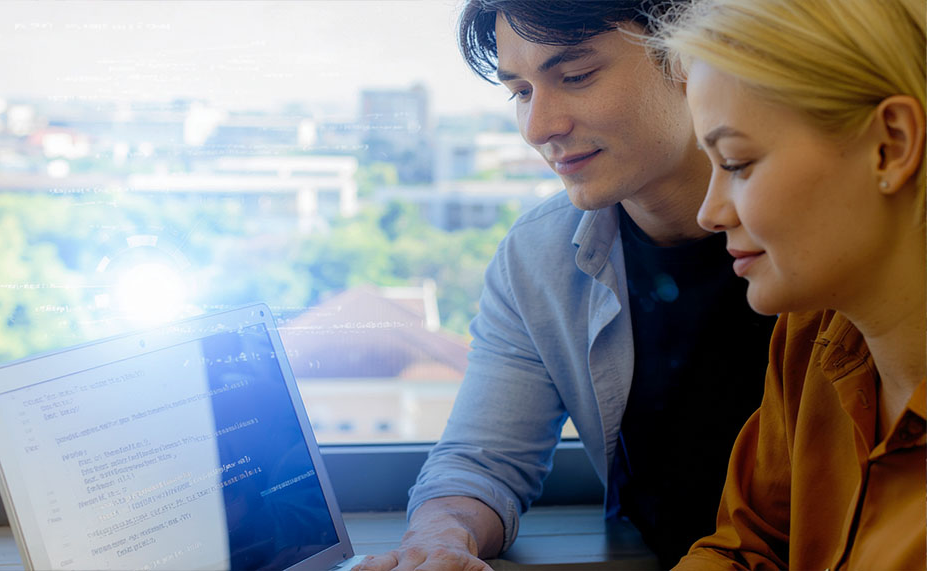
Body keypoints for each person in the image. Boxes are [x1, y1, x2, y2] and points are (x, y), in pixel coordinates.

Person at [355, 1, 778, 569]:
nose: (539, 128)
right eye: (521, 92)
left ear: (688, 56)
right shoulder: (540, 255)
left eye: (575, 76)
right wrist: (440, 540)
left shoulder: (817, 232)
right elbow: (483, 460)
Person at [652, 0, 927, 568]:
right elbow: (747, 549)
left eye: (736, 162)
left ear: (892, 145)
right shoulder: (810, 337)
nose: (709, 213)